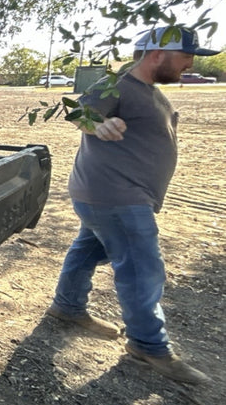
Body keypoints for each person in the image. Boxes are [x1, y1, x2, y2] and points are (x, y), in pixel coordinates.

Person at [46, 26, 221, 385]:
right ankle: (148, 344)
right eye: (186, 56)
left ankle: (67, 307)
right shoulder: (118, 84)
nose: (190, 63)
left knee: (87, 250)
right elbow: (79, 113)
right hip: (116, 197)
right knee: (142, 267)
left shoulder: (147, 89)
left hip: (107, 194)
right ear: (158, 54)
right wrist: (100, 124)